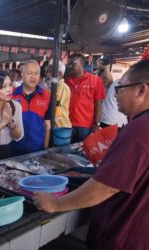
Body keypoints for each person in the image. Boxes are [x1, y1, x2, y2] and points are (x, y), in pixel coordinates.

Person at [34, 60, 149, 250]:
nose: (115, 93)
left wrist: (56, 203)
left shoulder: (138, 131)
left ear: (141, 90)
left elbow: (107, 187)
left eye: (120, 88)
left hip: (124, 236)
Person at [11, 60, 52, 155]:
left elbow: (47, 125)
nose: (33, 77)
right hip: (14, 147)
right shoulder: (12, 94)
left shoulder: (46, 95)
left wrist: (45, 148)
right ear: (22, 74)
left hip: (37, 148)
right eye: (29, 73)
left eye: (36, 73)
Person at [66, 53, 106, 142]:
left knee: (81, 151)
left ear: (82, 64)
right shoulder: (65, 81)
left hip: (85, 126)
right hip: (66, 124)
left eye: (73, 63)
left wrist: (97, 124)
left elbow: (98, 104)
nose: (70, 66)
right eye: (69, 64)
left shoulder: (95, 81)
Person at [45, 61, 72, 128]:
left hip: (61, 125)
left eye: (50, 72)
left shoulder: (62, 86)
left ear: (59, 73)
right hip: (54, 125)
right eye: (47, 72)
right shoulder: (53, 86)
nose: (47, 74)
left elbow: (55, 103)